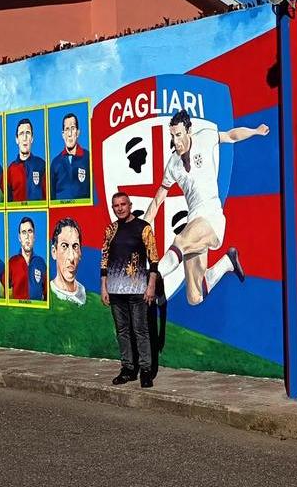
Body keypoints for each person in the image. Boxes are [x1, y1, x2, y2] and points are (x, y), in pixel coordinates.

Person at [145, 111, 267, 305]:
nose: (175, 141)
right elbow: (159, 197)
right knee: (195, 297)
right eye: (172, 136)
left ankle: (151, 278)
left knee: (180, 241)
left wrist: (255, 131)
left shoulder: (205, 137)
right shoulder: (173, 165)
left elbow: (231, 135)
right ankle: (227, 262)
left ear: (189, 131)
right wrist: (143, 224)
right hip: (194, 221)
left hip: (211, 218)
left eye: (178, 135)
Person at [102, 192, 158, 387]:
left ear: (130, 205)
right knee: (122, 330)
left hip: (138, 289)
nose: (120, 208)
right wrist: (104, 286)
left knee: (141, 330)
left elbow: (154, 259)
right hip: (116, 290)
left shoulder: (144, 228)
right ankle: (127, 369)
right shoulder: (111, 229)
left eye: (123, 204)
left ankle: (146, 371)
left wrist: (151, 286)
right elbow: (104, 259)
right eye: (116, 205)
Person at [50, 112, 91, 201]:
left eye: (73, 128)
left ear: (78, 132)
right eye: (67, 129)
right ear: (63, 134)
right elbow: (52, 195)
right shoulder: (55, 162)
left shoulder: (88, 157)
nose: (70, 134)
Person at [8, 118, 47, 203]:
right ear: (17, 139)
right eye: (21, 133)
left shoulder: (42, 165)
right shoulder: (11, 169)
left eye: (28, 133)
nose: (25, 138)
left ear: (32, 138)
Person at [8, 216, 47, 301]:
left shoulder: (41, 263)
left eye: (30, 231)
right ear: (19, 237)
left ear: (34, 236)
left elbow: (47, 295)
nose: (27, 236)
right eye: (24, 232)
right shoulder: (12, 262)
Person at [50, 217, 86, 305]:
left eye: (75, 246)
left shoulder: (89, 297)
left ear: (80, 253)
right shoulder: (45, 295)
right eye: (64, 246)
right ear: (54, 252)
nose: (71, 257)